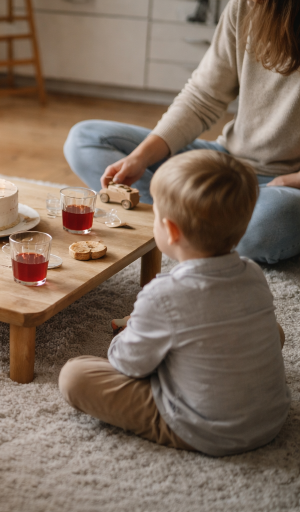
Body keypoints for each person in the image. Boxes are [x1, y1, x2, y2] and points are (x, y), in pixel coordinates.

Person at [58, 150, 290, 457]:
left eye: (155, 215)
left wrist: (130, 331)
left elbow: (127, 364)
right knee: (272, 330)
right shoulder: (253, 273)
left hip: (205, 430)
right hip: (271, 419)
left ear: (171, 231)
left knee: (75, 376)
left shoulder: (162, 295)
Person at [63, 0, 300, 264]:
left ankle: (193, 223)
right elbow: (203, 97)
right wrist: (141, 157)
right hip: (228, 163)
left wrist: (291, 181)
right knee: (84, 139)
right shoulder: (245, 7)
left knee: (267, 224)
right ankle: (196, 222)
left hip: (288, 186)